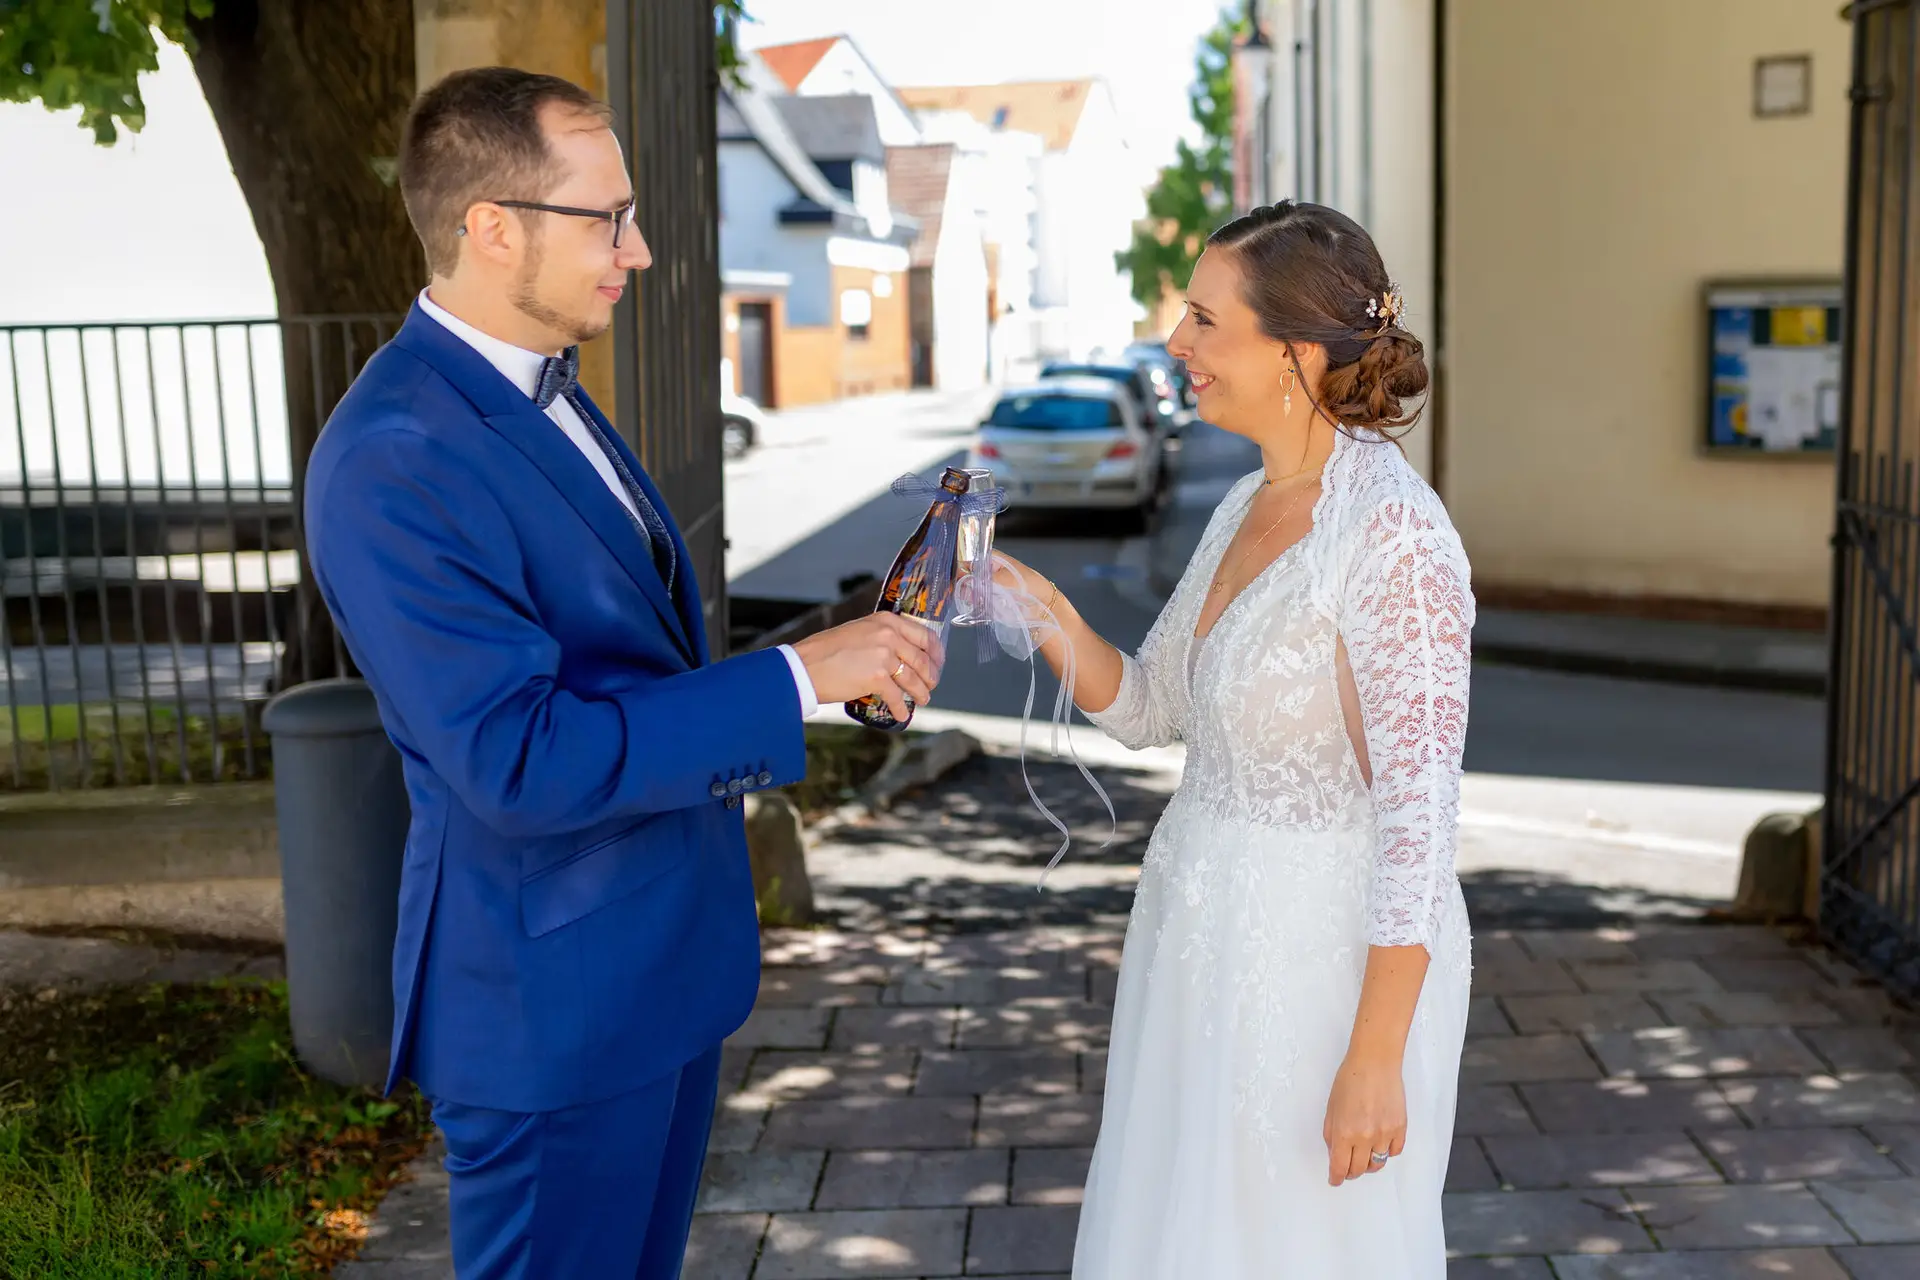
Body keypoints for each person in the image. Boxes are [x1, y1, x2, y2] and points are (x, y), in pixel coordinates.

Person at [303, 67, 939, 1279]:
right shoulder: (393, 456)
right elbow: (517, 758)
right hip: (553, 1008)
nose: (638, 251)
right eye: (608, 218)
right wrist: (794, 679)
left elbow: (631, 662)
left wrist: (830, 666)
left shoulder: (549, 389)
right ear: (491, 228)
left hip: (655, 969)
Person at [994, 200, 1474, 1276]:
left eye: (1205, 321)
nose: (1178, 345)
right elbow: (1154, 705)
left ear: (1295, 351)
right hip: (1199, 946)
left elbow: (1421, 814)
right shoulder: (1247, 505)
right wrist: (1043, 610)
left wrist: (1376, 1055)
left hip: (1319, 975)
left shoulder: (1395, 537)